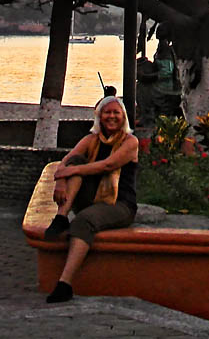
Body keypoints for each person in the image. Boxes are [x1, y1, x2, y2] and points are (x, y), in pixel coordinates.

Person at [42, 95, 139, 303]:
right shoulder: (91, 140)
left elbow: (107, 166)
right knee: (76, 160)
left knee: (83, 221)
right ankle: (61, 217)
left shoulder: (130, 142)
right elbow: (65, 162)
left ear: (123, 117)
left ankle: (64, 284)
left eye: (116, 112)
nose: (111, 116)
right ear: (99, 116)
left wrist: (70, 170)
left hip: (119, 204)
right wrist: (60, 179)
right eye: (107, 112)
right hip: (91, 198)